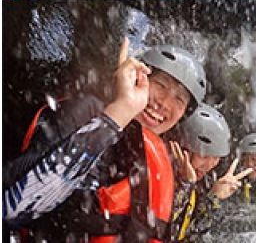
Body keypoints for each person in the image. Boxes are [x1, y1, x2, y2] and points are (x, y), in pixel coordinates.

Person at [3, 41, 207, 241]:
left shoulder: (152, 158)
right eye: (161, 85)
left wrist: (186, 186)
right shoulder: (85, 113)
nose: (164, 103)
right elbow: (11, 209)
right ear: (138, 77)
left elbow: (162, 233)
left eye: (179, 99)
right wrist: (120, 112)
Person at [169, 104, 253, 241]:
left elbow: (192, 234)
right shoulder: (160, 173)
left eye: (215, 158)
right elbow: (161, 228)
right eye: (203, 156)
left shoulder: (204, 181)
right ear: (182, 147)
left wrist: (213, 197)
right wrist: (184, 185)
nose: (209, 165)